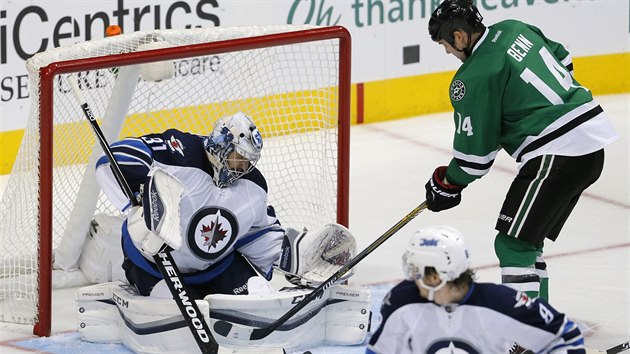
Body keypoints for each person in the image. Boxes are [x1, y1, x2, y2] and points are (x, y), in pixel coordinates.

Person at [423, 0, 618, 300]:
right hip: (590, 143)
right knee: (528, 241)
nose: (447, 52)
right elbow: (563, 60)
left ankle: (525, 338)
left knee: (512, 245)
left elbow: (474, 160)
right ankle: (540, 325)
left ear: (459, 36)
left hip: (558, 152)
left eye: (444, 44)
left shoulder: (473, 77)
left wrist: (446, 183)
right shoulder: (514, 28)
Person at [91, 112, 354, 299]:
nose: (240, 168)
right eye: (236, 158)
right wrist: (134, 208)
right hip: (153, 266)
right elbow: (114, 159)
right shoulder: (179, 150)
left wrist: (296, 257)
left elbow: (258, 234)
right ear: (220, 144)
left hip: (217, 269)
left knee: (259, 295)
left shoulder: (253, 187)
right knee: (172, 313)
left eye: (246, 163)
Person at [366, 225, 586, 354]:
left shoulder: (501, 303)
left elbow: (563, 336)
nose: (412, 278)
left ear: (436, 276)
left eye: (417, 271)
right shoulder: (401, 301)